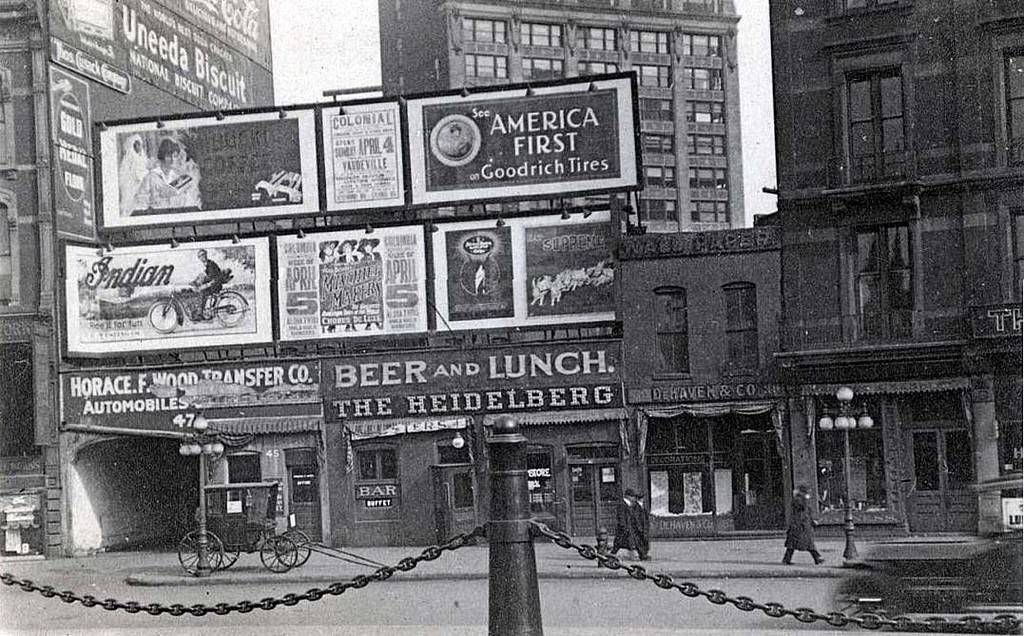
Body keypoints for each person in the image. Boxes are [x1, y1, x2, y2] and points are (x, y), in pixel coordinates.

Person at [133, 138, 197, 211]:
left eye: (175, 156)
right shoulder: (150, 177)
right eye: (169, 156)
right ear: (162, 156)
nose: (172, 159)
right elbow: (140, 202)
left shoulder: (177, 177)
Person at [783, 485, 824, 565]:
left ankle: (787, 559)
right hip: (800, 526)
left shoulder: (800, 500)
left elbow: (807, 513)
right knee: (808, 543)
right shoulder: (800, 501)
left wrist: (812, 521)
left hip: (800, 525)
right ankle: (817, 557)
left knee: (793, 544)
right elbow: (804, 512)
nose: (809, 495)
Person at [118, 134, 150, 217]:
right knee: (129, 203)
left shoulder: (142, 157)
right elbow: (127, 173)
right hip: (131, 184)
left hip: (140, 184)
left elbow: (144, 168)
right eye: (136, 145)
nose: (139, 147)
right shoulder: (129, 157)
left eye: (140, 145)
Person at [611, 488, 646, 561]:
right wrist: (624, 526)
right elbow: (621, 517)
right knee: (620, 543)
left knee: (633, 542)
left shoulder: (630, 505)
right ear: (628, 496)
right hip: (624, 528)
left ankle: (641, 555)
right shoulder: (622, 505)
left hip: (630, 528)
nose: (634, 498)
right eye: (633, 496)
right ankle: (611, 556)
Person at [191, 249, 224, 319]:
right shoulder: (207, 264)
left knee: (202, 292)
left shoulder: (211, 264)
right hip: (213, 283)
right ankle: (201, 311)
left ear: (206, 255)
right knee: (200, 290)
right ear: (199, 258)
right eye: (200, 256)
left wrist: (201, 282)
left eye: (203, 254)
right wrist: (195, 281)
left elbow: (210, 276)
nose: (202, 257)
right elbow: (204, 275)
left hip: (216, 284)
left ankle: (200, 313)